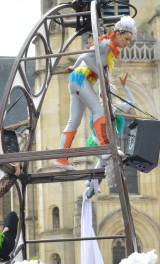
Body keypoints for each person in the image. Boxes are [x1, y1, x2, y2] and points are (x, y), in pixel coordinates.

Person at [57, 15, 136, 168]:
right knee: (99, 111)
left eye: (129, 40)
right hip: (81, 79)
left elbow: (84, 56)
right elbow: (87, 55)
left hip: (77, 79)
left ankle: (61, 158)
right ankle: (106, 147)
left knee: (74, 121)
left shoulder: (109, 48)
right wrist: (98, 73)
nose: (127, 43)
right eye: (126, 39)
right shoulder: (106, 43)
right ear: (118, 34)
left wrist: (75, 67)